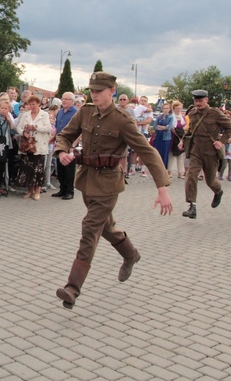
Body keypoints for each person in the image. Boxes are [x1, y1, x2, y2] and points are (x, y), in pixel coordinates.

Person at [54, 71, 173, 310]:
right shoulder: (85, 112)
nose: (94, 94)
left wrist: (162, 188)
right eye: (92, 90)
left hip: (109, 184)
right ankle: (130, 254)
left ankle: (72, 288)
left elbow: (148, 152)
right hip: (87, 180)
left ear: (112, 91)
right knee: (105, 227)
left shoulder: (122, 119)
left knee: (90, 228)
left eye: (99, 91)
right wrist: (61, 151)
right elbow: (66, 135)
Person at [179, 90, 231, 219]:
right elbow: (190, 131)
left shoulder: (215, 113)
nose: (198, 103)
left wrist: (221, 142)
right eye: (196, 101)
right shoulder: (192, 114)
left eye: (200, 101)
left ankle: (218, 191)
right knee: (191, 175)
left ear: (206, 100)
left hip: (210, 151)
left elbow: (229, 127)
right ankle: (192, 206)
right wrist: (182, 140)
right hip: (196, 150)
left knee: (210, 180)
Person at [15, 95, 51, 201]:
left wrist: (35, 128)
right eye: (30, 104)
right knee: (28, 168)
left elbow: (48, 128)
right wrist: (24, 133)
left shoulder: (44, 115)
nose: (32, 106)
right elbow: (19, 127)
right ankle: (29, 190)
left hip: (39, 145)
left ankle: (37, 191)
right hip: (28, 146)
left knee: (38, 169)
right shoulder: (25, 115)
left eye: (34, 104)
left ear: (38, 104)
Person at [52, 92, 78, 200]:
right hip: (60, 143)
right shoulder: (60, 112)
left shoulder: (76, 113)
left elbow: (79, 131)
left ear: (72, 101)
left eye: (66, 99)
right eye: (63, 99)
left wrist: (73, 145)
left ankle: (69, 191)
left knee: (69, 169)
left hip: (70, 143)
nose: (64, 101)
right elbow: (57, 127)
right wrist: (53, 139)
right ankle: (62, 189)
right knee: (60, 168)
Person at [152, 102, 174, 169]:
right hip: (158, 136)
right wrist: (163, 127)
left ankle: (163, 167)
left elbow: (168, 128)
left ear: (169, 109)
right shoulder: (159, 117)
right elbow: (155, 126)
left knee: (164, 152)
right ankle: (156, 166)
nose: (166, 110)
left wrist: (161, 127)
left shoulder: (171, 118)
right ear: (162, 109)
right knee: (157, 152)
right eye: (164, 108)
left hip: (166, 137)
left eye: (167, 108)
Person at [168, 101, 187, 179]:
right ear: (174, 108)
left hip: (180, 137)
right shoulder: (171, 117)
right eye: (177, 108)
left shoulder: (183, 117)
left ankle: (180, 172)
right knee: (171, 155)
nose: (178, 110)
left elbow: (185, 126)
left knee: (180, 155)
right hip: (172, 137)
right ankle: (169, 171)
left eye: (180, 108)